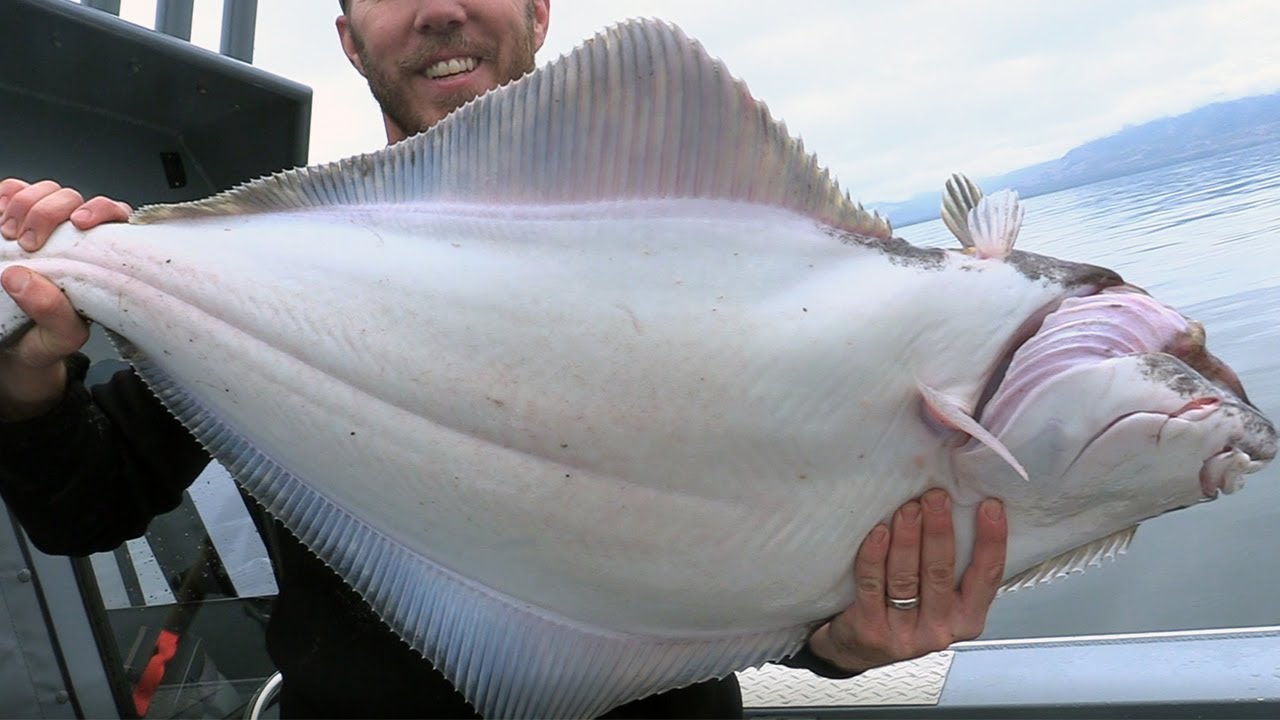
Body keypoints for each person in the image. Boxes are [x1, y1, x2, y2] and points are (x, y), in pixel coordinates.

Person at [0, 1, 1010, 717]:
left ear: (537, 8)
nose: (439, 9)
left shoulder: (707, 253)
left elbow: (775, 529)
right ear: (349, 38)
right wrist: (30, 370)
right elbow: (84, 507)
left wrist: (840, 641)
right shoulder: (259, 267)